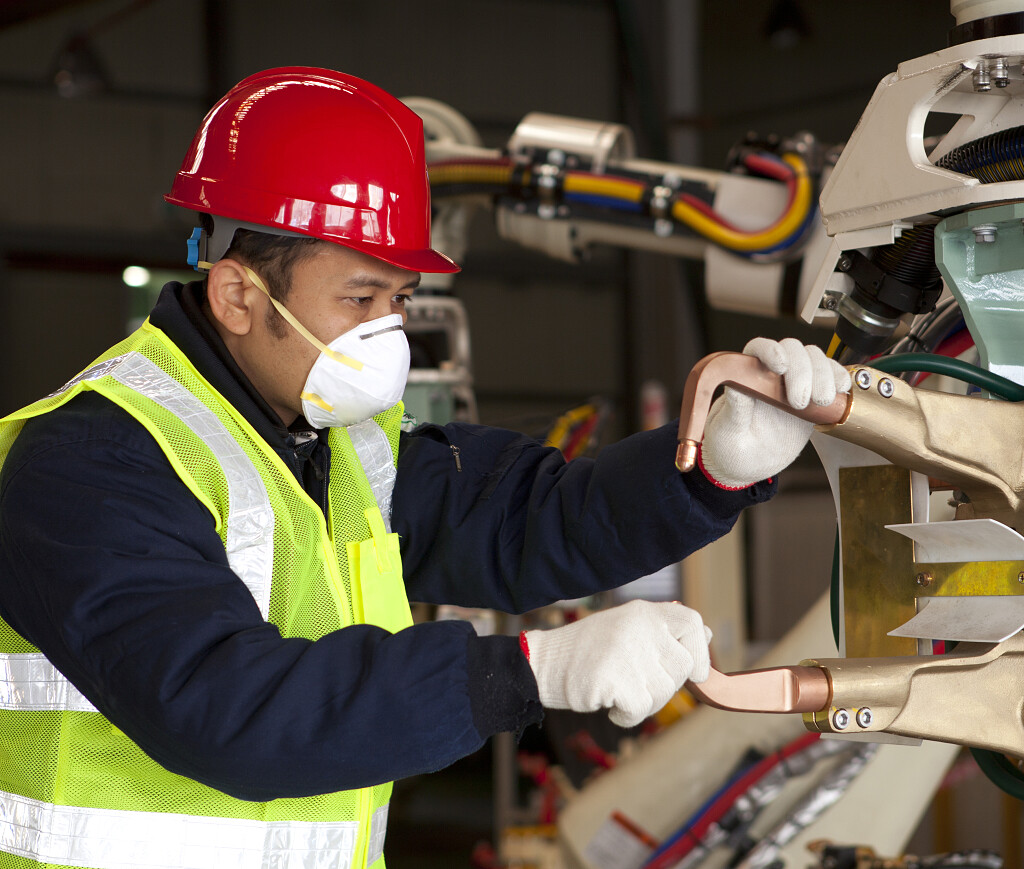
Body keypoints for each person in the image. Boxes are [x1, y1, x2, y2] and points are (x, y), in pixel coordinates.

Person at [0, 67, 850, 868]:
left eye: (398, 300)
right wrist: (523, 671)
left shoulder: (333, 445)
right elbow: (222, 702)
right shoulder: (91, 460)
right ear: (237, 295)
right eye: (359, 299)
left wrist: (712, 464)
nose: (388, 334)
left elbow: (534, 518)